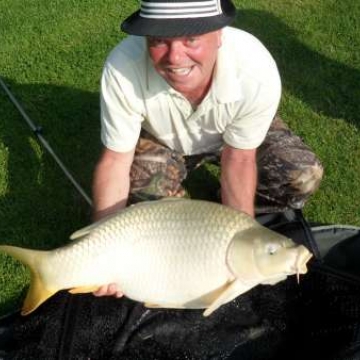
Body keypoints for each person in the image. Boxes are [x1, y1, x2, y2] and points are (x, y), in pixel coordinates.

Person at [92, 0, 323, 297]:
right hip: (162, 137)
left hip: (234, 137)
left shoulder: (255, 69)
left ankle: (224, 217)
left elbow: (239, 158)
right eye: (160, 40)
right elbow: (114, 162)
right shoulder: (122, 67)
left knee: (302, 174)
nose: (175, 57)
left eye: (191, 39)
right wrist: (101, 249)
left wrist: (242, 246)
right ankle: (187, 235)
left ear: (219, 34)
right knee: (144, 192)